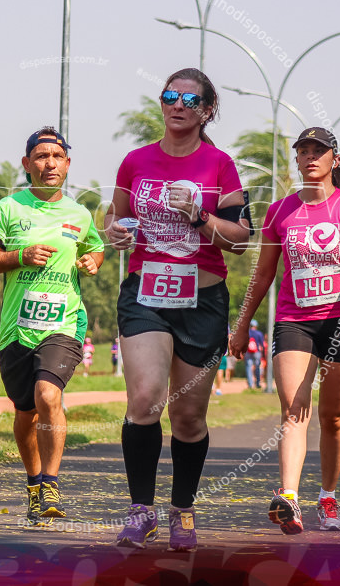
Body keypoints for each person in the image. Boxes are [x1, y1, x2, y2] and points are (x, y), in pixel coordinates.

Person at [106, 68, 250, 551]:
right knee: (146, 399)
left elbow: (240, 239)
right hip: (146, 294)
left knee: (188, 416)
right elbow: (114, 217)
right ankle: (140, 509)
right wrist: (117, 232)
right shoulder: (135, 161)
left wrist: (201, 215)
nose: (179, 104)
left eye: (191, 99)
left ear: (207, 110)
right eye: (171, 96)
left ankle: (182, 510)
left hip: (202, 300)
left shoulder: (220, 165)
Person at [229, 126, 340, 534]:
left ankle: (327, 498)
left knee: (332, 417)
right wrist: (242, 325)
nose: (310, 157)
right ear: (296, 159)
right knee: (294, 410)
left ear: (334, 159)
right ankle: (288, 498)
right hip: (295, 320)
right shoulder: (279, 211)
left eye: (319, 151)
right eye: (303, 151)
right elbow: (262, 275)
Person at [0, 127, 104, 525]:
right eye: (42, 156)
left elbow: (96, 247)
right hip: (17, 327)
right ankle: (33, 484)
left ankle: (50, 483)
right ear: (27, 164)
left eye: (57, 156)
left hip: (64, 322)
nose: (50, 163)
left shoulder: (80, 215)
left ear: (67, 165)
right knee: (25, 409)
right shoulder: (7, 209)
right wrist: (19, 256)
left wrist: (92, 263)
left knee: (48, 395)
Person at [245, 320, 266, 390]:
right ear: (256, 326)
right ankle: (257, 383)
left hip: (248, 352)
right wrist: (263, 354)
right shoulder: (259, 333)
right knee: (257, 367)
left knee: (248, 367)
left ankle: (250, 384)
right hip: (257, 352)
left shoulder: (247, 332)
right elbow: (262, 344)